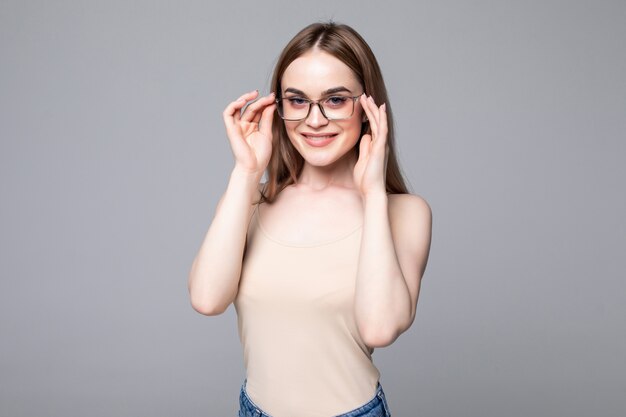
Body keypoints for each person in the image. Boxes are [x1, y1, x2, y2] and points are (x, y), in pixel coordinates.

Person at [188, 21, 432, 417]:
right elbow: (206, 298)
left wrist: (371, 194)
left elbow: (380, 329)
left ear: (368, 106)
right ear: (278, 106)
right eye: (297, 101)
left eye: (335, 100)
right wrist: (246, 173)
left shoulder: (404, 213)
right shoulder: (251, 200)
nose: (314, 120)